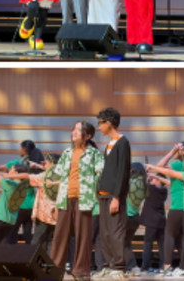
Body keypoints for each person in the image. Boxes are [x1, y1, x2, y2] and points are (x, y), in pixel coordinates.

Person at [51, 120, 104, 281]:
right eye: (73, 129)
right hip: (65, 198)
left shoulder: (94, 154)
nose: (74, 132)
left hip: (84, 199)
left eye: (78, 130)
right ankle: (54, 271)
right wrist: (55, 202)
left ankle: (80, 271)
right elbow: (60, 176)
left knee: (83, 236)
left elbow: (101, 174)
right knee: (60, 235)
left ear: (87, 136)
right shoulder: (67, 153)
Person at [95, 107, 131, 277]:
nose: (99, 127)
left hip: (114, 196)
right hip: (103, 195)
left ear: (109, 123)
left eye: (100, 123)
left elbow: (122, 171)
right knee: (105, 233)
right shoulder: (108, 144)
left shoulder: (123, 142)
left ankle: (118, 267)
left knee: (116, 232)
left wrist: (117, 197)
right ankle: (108, 265)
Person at [140, 171, 168, 272]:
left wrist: (148, 177)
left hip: (151, 221)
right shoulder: (164, 191)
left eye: (155, 179)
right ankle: (163, 266)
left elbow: (144, 184)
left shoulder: (151, 189)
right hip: (161, 221)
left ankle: (145, 266)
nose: (152, 181)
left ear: (159, 180)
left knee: (148, 244)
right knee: (161, 245)